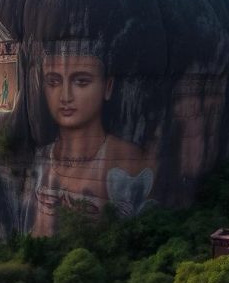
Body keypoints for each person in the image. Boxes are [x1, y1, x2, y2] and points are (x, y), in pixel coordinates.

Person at [31, 41, 153, 235]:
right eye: (53, 82)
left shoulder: (129, 159)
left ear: (108, 86)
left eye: (81, 82)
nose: (65, 96)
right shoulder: (41, 158)